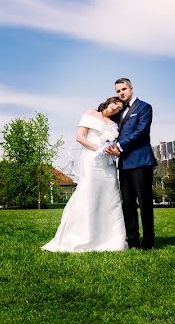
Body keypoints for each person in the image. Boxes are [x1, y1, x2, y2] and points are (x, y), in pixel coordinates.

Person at [42, 96, 128, 252]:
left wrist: (112, 151)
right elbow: (79, 137)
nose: (116, 108)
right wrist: (98, 148)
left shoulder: (116, 124)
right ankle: (82, 237)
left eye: (120, 108)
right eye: (115, 104)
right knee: (89, 194)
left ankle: (112, 239)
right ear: (109, 102)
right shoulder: (90, 113)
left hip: (107, 164)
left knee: (110, 196)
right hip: (90, 160)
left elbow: (116, 144)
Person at [105, 77, 156, 250]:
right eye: (118, 91)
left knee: (145, 203)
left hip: (141, 162)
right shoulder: (120, 112)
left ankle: (148, 243)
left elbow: (141, 132)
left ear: (131, 88)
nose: (121, 93)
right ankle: (133, 242)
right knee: (127, 204)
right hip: (124, 163)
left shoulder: (144, 107)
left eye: (124, 89)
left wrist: (119, 146)